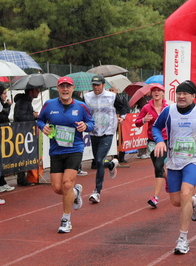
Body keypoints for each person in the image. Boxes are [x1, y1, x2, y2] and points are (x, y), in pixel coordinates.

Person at [152, 80, 196, 254]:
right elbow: (156, 127)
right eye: (179, 93)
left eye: (185, 94)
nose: (181, 96)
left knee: (184, 193)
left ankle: (182, 239)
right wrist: (160, 140)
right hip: (174, 160)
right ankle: (195, 201)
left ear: (193, 96)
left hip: (194, 160)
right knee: (177, 201)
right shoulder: (168, 111)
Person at [37, 76, 94, 233]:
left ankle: (66, 220)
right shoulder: (49, 105)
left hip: (74, 149)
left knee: (67, 184)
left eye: (68, 86)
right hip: (56, 150)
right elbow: (40, 120)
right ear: (57, 88)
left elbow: (91, 123)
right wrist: (43, 127)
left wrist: (85, 125)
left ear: (72, 89)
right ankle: (76, 192)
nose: (65, 89)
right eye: (62, 87)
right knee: (57, 188)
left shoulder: (81, 106)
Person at [83, 75, 126, 204]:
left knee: (100, 159)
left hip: (108, 131)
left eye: (98, 85)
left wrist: (122, 117)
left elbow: (123, 107)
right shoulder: (87, 97)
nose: (96, 87)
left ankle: (97, 191)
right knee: (98, 161)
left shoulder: (112, 96)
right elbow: (81, 110)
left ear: (103, 85)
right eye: (94, 85)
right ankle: (111, 164)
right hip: (94, 131)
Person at [134, 84, 168, 208]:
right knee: (158, 166)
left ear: (163, 93)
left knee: (159, 166)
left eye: (159, 90)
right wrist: (144, 120)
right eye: (154, 91)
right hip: (151, 142)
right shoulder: (146, 108)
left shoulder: (168, 108)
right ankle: (170, 182)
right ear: (151, 94)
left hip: (164, 141)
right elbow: (137, 122)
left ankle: (155, 197)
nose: (156, 93)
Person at [13, 85, 40, 186]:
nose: (38, 92)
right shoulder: (24, 101)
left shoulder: (26, 101)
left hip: (24, 131)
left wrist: (33, 115)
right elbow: (19, 116)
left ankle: (22, 177)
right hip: (22, 132)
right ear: (31, 91)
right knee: (22, 154)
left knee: (24, 154)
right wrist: (33, 115)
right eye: (36, 90)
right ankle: (21, 178)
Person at [0, 86, 15, 192]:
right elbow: (2, 117)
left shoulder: (1, 104)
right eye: (4, 93)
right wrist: (8, 106)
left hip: (1, 135)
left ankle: (1, 182)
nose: (6, 95)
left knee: (0, 160)